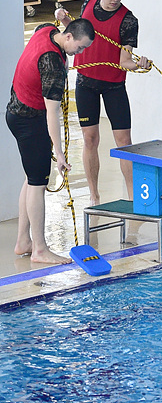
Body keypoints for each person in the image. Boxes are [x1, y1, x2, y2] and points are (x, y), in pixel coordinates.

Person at [55, 0, 152, 206]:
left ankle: (132, 196)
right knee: (90, 139)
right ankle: (94, 195)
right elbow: (76, 35)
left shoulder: (129, 20)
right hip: (86, 83)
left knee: (124, 141)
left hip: (114, 86)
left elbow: (124, 61)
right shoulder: (87, 5)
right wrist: (64, 20)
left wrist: (139, 64)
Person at [7, 18, 95, 264]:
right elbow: (52, 113)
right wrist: (60, 153)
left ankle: (23, 241)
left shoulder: (46, 29)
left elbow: (48, 24)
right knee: (38, 183)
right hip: (30, 120)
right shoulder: (54, 65)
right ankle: (40, 249)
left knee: (31, 178)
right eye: (79, 48)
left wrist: (61, 14)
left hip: (15, 113)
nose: (79, 54)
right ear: (68, 37)